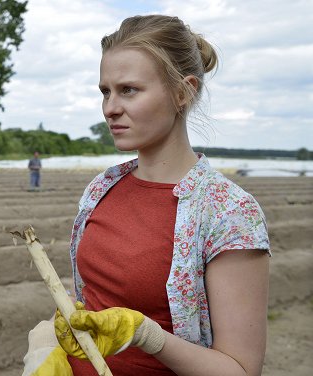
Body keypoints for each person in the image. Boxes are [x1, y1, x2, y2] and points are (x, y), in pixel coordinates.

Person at [22, 15, 270, 376]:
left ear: (182, 92)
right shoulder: (102, 188)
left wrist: (147, 335)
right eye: (105, 91)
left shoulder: (229, 213)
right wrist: (48, 348)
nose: (110, 108)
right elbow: (92, 302)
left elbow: (240, 370)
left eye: (129, 90)